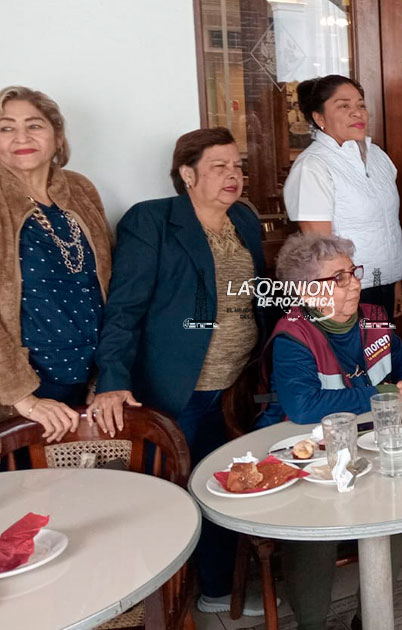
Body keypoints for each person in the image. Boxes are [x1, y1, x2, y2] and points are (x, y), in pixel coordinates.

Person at [88, 128, 266, 615]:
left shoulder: (245, 221)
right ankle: (190, 596)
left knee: (231, 483)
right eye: (219, 167)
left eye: (238, 167)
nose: (234, 176)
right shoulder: (152, 221)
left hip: (236, 383)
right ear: (187, 174)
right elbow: (124, 308)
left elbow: (260, 297)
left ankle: (219, 587)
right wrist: (114, 380)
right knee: (186, 490)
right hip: (180, 388)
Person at [256, 233, 402, 630]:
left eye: (353, 273)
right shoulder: (293, 334)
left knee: (394, 513)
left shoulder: (374, 318)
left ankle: (371, 618)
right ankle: (310, 623)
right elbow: (302, 407)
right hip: (305, 450)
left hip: (370, 440)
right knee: (315, 531)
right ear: (307, 290)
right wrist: (381, 395)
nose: (355, 284)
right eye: (339, 278)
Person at [0, 86, 111, 442]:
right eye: (5, 127)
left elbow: (109, 283)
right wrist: (24, 399)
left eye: (34, 125)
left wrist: (108, 376)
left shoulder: (80, 189)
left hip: (90, 380)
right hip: (23, 388)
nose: (21, 137)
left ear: (57, 137)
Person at [283, 75, 402, 319]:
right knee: (353, 357)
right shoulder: (313, 166)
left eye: (361, 105)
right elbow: (319, 250)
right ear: (320, 119)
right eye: (343, 106)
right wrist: (342, 296)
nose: (357, 113)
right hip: (345, 290)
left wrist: (394, 282)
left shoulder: (379, 157)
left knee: (381, 356)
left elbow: (389, 226)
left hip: (382, 284)